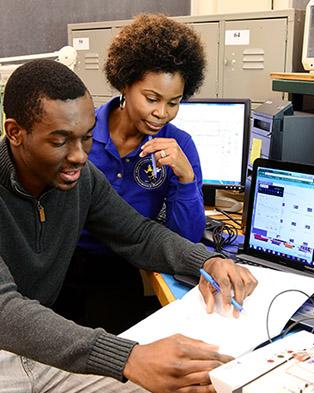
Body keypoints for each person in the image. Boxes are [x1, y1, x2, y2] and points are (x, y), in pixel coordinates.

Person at [0, 58, 257, 393]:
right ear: (15, 132)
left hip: (40, 352)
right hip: (8, 348)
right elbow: (5, 308)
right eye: (60, 141)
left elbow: (138, 234)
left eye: (87, 138)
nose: (79, 156)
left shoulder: (82, 180)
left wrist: (207, 261)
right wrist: (128, 357)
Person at [57, 13, 207, 333]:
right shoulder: (82, 132)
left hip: (127, 268)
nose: (161, 113)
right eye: (152, 98)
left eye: (174, 102)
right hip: (64, 263)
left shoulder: (179, 145)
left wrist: (186, 180)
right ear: (125, 84)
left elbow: (184, 240)